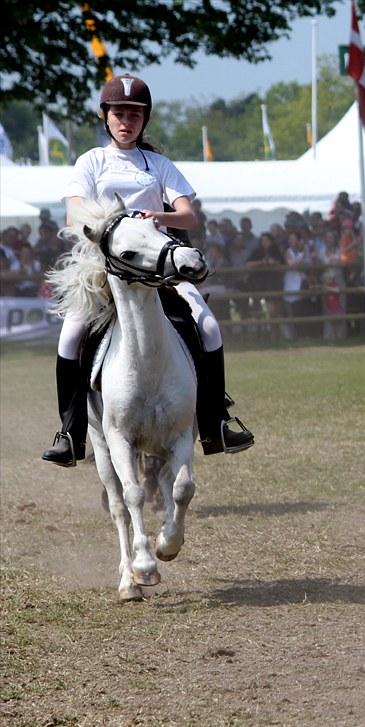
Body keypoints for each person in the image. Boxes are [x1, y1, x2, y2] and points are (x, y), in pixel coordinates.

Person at [41, 74, 254, 467]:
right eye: (119, 113)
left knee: (207, 326)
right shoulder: (91, 162)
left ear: (145, 119)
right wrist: (115, 225)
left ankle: (215, 421)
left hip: (159, 270)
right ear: (105, 117)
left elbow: (189, 216)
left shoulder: (157, 165)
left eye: (134, 115)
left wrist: (157, 215)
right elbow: (74, 213)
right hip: (105, 273)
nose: (126, 121)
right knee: (70, 335)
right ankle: (70, 433)